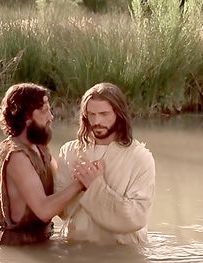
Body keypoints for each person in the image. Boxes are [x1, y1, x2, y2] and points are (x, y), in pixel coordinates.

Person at [0, 83, 101, 246]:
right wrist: (81, 183)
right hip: (19, 247)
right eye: (44, 111)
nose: (50, 117)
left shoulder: (39, 147)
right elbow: (44, 210)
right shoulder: (16, 156)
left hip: (41, 241)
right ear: (26, 117)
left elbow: (60, 184)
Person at [55, 82, 156, 245]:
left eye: (104, 114)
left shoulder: (139, 157)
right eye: (91, 114)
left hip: (121, 253)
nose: (97, 121)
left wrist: (95, 186)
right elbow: (62, 210)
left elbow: (137, 216)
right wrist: (79, 185)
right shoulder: (70, 151)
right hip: (76, 250)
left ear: (119, 114)